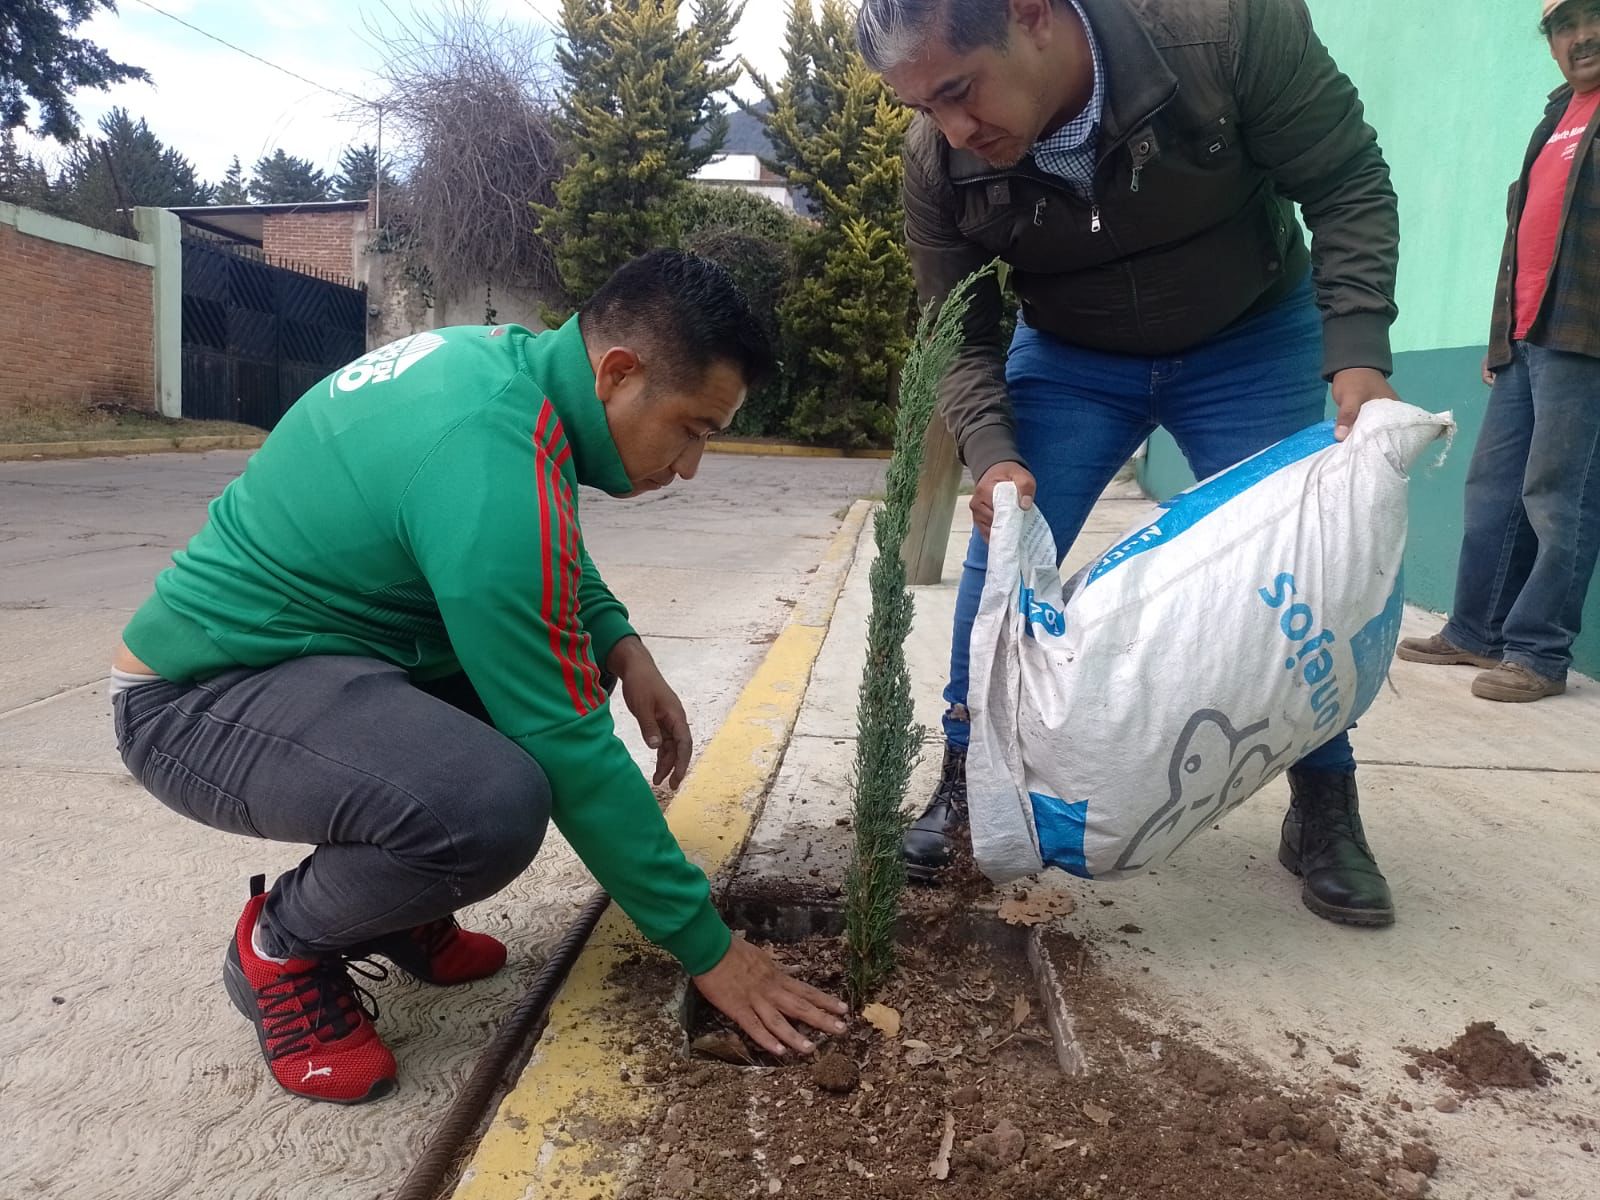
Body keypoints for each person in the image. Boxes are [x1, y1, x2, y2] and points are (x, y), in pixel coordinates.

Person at [110, 250, 847, 1104]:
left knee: (552, 678)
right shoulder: (489, 446)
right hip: (197, 699)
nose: (688, 468)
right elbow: (567, 745)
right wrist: (709, 949)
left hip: (320, 664)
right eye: (692, 429)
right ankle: (281, 947)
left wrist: (622, 645)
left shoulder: (510, 377)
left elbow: (537, 557)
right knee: (484, 807)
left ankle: (395, 907)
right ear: (618, 373)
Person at [855, 0, 1404, 924]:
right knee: (1005, 548)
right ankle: (964, 781)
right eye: (923, 107)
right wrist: (992, 453)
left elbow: (1345, 175)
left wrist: (1358, 352)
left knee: (1301, 568)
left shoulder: (1222, 28)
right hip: (1073, 355)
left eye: (957, 90)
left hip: (1249, 332)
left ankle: (1323, 802)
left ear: (1030, 14)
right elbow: (958, 328)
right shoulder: (937, 159)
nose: (950, 129)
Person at [1398, 0, 1600, 703]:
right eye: (1564, 26)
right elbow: (1525, 238)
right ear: (1549, 43)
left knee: (1558, 497)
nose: (1583, 36)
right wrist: (1501, 337)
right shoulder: (1553, 117)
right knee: (1490, 490)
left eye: (1594, 16)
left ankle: (1540, 654)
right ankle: (1475, 630)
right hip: (1525, 336)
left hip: (1584, 337)